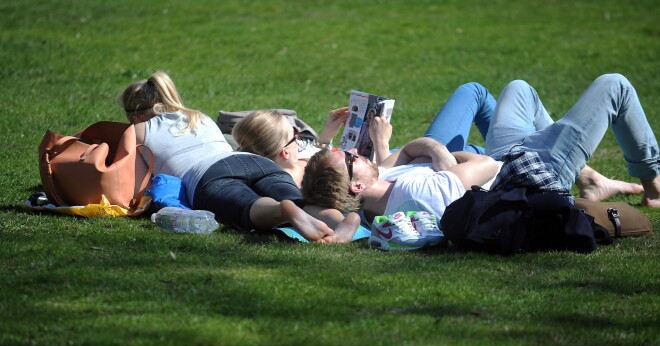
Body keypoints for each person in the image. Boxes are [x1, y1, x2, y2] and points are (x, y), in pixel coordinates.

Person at [301, 74, 660, 223]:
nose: (355, 152)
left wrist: (438, 154)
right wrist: (437, 154)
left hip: (509, 154)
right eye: (350, 159)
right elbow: (486, 163)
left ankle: (588, 176)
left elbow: (412, 147)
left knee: (519, 88)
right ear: (356, 187)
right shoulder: (416, 192)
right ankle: (654, 183)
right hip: (532, 168)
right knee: (615, 85)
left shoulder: (388, 178)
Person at [119, 70, 359, 242]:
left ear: (136, 115)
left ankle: (282, 210)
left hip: (208, 176)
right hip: (251, 160)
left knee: (248, 206)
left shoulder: (137, 131)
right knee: (299, 200)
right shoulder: (197, 116)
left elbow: (132, 179)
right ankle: (341, 223)